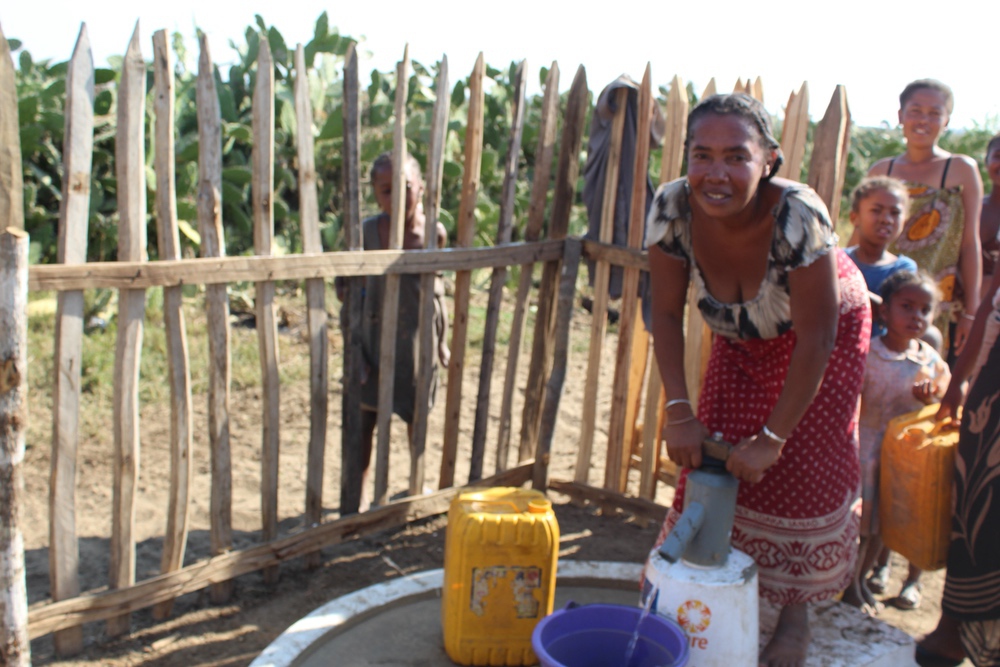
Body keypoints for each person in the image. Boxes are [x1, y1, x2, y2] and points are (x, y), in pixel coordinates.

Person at [644, 93, 871, 667]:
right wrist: (678, 411)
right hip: (743, 329)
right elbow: (665, 314)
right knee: (715, 446)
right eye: (702, 155)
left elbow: (817, 340)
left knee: (797, 454)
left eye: (735, 156)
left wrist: (774, 435)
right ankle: (705, 583)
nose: (715, 173)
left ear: (768, 159)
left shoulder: (798, 214)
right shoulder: (673, 208)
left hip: (822, 328)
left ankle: (795, 610)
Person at [337, 151, 449, 512]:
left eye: (403, 188)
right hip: (370, 342)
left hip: (416, 346)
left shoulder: (433, 234)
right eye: (385, 191)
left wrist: (441, 341)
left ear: (421, 187)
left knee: (416, 419)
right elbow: (345, 287)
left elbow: (438, 291)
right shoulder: (367, 233)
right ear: (375, 194)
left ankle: (415, 488)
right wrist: (353, 345)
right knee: (363, 422)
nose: (395, 199)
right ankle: (356, 500)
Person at [842, 271, 950, 616]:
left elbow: (942, 404)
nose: (916, 317)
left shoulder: (930, 362)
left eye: (924, 309)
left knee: (881, 528)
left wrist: (931, 399)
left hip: (901, 460)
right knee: (859, 524)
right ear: (885, 311)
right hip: (864, 452)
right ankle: (847, 584)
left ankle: (859, 581)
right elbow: (849, 398)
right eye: (907, 307)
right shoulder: (868, 354)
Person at [916, 265, 1000, 667]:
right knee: (975, 511)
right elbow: (989, 306)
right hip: (994, 402)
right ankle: (954, 628)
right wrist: (960, 381)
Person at [866, 79, 983, 362]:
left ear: (946, 121)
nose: (924, 120)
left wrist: (971, 312)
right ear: (900, 116)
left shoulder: (961, 170)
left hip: (933, 307)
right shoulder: (883, 170)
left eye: (934, 113)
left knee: (923, 380)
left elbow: (969, 243)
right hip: (881, 298)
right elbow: (862, 238)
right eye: (916, 110)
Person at [845, 175, 917, 337]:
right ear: (854, 217)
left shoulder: (904, 268)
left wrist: (847, 291)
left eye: (895, 212)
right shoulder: (840, 260)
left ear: (904, 221)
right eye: (876, 211)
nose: (886, 219)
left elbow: (894, 316)